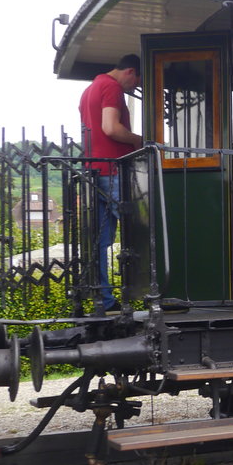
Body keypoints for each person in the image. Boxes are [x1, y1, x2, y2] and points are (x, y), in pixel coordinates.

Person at [79, 54, 143, 312]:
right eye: (136, 82)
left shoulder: (89, 90)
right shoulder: (111, 87)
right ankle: (157, 296)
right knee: (140, 231)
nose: (134, 88)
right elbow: (110, 127)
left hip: (94, 171)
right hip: (114, 171)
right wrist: (138, 141)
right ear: (130, 71)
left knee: (100, 241)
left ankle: (104, 300)